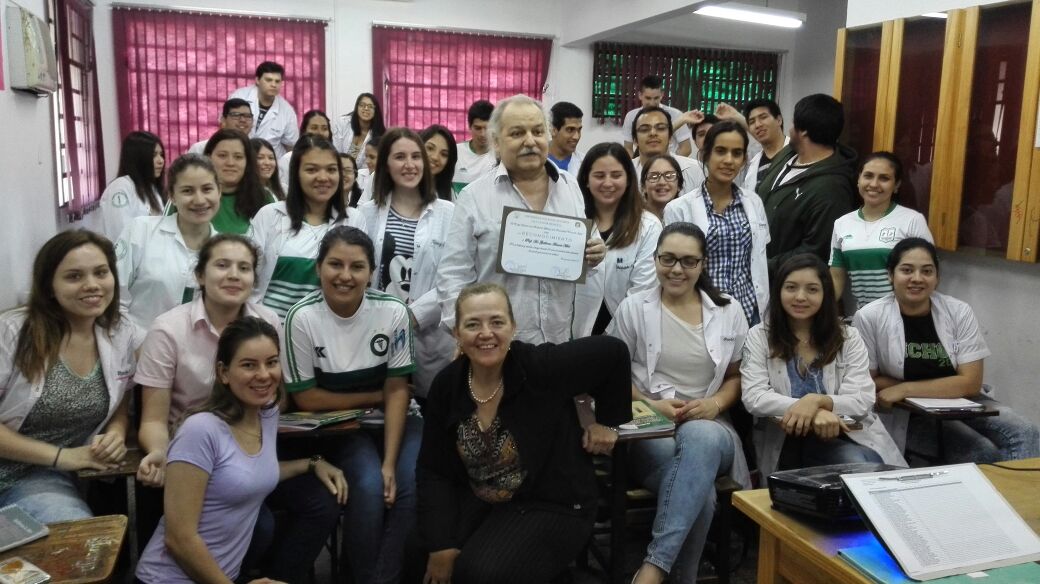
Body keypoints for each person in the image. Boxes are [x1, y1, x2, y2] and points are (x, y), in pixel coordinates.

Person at [417, 282, 631, 584]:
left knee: (480, 573)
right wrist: (440, 544)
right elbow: (433, 469)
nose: (486, 333)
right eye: (473, 324)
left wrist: (607, 423)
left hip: (553, 502)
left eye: (497, 322)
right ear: (457, 334)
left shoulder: (540, 367)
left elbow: (613, 352)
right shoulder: (447, 385)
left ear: (513, 328)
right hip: (485, 497)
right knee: (418, 553)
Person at [134, 316, 347, 584]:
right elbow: (179, 539)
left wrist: (313, 463)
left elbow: (248, 473)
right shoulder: (200, 430)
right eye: (249, 365)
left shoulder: (266, 414)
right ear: (223, 372)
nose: (264, 374)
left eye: (271, 362)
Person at [608, 223, 750, 583]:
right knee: (699, 496)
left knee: (701, 436)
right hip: (649, 428)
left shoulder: (728, 310)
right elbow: (610, 375)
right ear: (655, 259)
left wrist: (714, 405)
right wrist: (649, 404)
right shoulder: (633, 308)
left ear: (703, 264)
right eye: (667, 259)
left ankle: (652, 567)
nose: (676, 269)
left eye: (688, 261)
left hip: (711, 426)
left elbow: (737, 376)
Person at [282, 227, 420, 584]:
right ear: (318, 268)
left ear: (372, 272)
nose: (345, 276)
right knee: (370, 487)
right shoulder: (301, 317)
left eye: (357, 266)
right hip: (340, 427)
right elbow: (308, 399)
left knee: (408, 485)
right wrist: (377, 396)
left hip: (399, 419)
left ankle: (382, 578)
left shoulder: (393, 312)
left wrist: (390, 463)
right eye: (335, 264)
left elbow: (399, 391)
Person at [436, 94, 608, 344]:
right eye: (517, 133)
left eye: (537, 131)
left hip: (558, 341)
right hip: (497, 346)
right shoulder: (474, 196)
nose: (530, 141)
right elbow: (453, 274)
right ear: (496, 141)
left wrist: (596, 251)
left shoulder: (569, 186)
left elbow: (587, 245)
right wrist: (464, 334)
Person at [853, 238, 1040, 462]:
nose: (917, 278)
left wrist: (904, 388)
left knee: (1026, 433)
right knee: (981, 451)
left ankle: (1019, 498)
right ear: (890, 275)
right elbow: (866, 381)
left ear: (937, 278)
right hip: (909, 414)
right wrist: (934, 388)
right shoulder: (870, 316)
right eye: (907, 270)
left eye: (927, 271)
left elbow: (970, 382)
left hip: (965, 402)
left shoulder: (958, 311)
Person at [0, 230, 141, 523]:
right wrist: (62, 457)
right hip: (22, 469)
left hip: (42, 481)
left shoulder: (120, 331)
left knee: (77, 538)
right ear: (49, 286)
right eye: (74, 276)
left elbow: (120, 405)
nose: (92, 285)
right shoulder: (12, 332)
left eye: (101, 273)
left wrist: (114, 435)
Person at [135, 234, 281, 488]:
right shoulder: (168, 330)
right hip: (189, 451)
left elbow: (274, 396)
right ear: (200, 275)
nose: (234, 275)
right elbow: (153, 420)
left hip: (250, 448)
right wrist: (161, 453)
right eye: (222, 265)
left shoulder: (267, 323)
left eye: (244, 268)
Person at [741, 254, 905, 477]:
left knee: (865, 465)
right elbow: (755, 397)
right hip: (786, 442)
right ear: (778, 291)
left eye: (812, 289)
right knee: (861, 467)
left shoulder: (848, 337)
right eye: (791, 287)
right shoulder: (759, 336)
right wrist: (815, 412)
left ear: (825, 293)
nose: (800, 297)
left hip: (845, 435)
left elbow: (861, 399)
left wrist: (818, 400)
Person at [358, 128, 455, 399]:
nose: (409, 164)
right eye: (399, 156)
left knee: (428, 410)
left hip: (429, 335)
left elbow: (454, 277)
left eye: (416, 156)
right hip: (375, 328)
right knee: (379, 405)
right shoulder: (365, 213)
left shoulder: (448, 214)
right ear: (386, 164)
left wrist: (412, 316)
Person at [664, 121, 770, 326]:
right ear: (705, 155)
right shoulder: (678, 208)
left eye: (737, 153)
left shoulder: (753, 202)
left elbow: (758, 258)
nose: (729, 160)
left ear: (744, 160)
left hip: (749, 311)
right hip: (700, 311)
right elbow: (673, 268)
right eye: (721, 151)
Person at [250, 135, 366, 320]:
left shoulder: (353, 219)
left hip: (325, 333)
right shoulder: (269, 215)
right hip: (271, 331)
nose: (323, 177)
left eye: (331, 169)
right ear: (296, 174)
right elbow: (251, 278)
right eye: (312, 170)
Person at [755, 94, 857, 276]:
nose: (791, 130)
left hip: (787, 284)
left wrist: (763, 266)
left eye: (794, 124)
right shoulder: (788, 153)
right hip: (757, 274)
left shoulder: (832, 188)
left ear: (803, 132)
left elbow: (816, 251)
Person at [116, 154, 219, 331]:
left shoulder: (224, 249)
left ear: (219, 191)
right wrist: (136, 345)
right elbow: (115, 301)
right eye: (187, 191)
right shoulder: (141, 232)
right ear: (171, 195)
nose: (200, 200)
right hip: (137, 349)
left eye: (207, 189)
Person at [572, 142, 660, 338]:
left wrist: (610, 337)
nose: (608, 183)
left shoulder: (648, 226)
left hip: (626, 334)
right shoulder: (572, 220)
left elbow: (642, 292)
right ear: (586, 179)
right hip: (573, 332)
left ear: (629, 179)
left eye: (616, 175)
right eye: (599, 176)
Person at [830, 152, 934, 309]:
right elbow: (836, 278)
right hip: (865, 317)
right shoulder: (841, 224)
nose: (874, 184)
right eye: (868, 176)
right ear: (858, 180)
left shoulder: (912, 220)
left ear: (897, 185)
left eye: (884, 178)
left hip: (905, 315)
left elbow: (927, 273)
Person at [203, 129, 275, 235]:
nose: (230, 163)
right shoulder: (192, 194)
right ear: (208, 158)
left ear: (247, 161)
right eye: (222, 155)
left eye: (238, 157)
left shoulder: (264, 197)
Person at [100, 131, 166, 241]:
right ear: (138, 158)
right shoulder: (120, 188)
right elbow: (121, 235)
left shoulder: (151, 189)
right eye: (154, 155)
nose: (161, 161)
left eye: (161, 155)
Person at [229, 61, 299, 158]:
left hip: (270, 164)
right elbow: (225, 126)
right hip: (239, 156)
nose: (274, 85)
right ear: (257, 80)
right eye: (269, 80)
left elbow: (290, 146)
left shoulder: (287, 111)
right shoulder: (239, 96)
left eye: (277, 81)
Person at [631, 107, 704, 196]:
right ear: (635, 140)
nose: (653, 133)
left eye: (661, 128)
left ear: (670, 138)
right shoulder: (625, 172)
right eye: (645, 129)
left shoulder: (696, 170)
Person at [620, 75, 693, 157]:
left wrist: (670, 165)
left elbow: (686, 148)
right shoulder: (631, 116)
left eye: (656, 98)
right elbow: (628, 148)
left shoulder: (676, 115)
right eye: (648, 98)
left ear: (662, 95)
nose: (652, 103)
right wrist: (635, 167)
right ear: (640, 95)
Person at [278, 109, 333, 193]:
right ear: (304, 130)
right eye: (314, 128)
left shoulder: (334, 159)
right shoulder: (287, 160)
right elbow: (282, 192)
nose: (320, 133)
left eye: (324, 128)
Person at [742, 98, 789, 192]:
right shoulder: (753, 164)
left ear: (779, 120)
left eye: (763, 117)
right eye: (752, 122)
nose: (757, 125)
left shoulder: (799, 153)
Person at [452, 99, 496, 194]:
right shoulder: (455, 152)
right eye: (478, 128)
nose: (483, 134)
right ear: (469, 126)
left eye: (487, 128)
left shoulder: (500, 157)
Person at [187, 98, 255, 156]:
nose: (243, 120)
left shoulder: (257, 151)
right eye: (236, 115)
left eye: (247, 116)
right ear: (223, 120)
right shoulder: (200, 149)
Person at [333, 92, 386, 162]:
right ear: (357, 107)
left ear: (375, 111)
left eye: (370, 106)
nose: (366, 108)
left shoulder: (379, 135)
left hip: (363, 172)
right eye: (362, 105)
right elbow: (334, 151)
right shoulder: (343, 123)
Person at [640, 154, 684, 222]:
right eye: (654, 177)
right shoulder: (633, 220)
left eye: (669, 176)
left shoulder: (688, 216)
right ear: (643, 186)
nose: (662, 182)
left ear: (679, 185)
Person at [420, 124, 458, 201]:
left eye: (444, 154)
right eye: (430, 148)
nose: (435, 157)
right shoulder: (402, 187)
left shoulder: (450, 195)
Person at [547, 101, 584, 172]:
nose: (576, 137)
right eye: (570, 130)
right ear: (553, 130)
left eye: (579, 130)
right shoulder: (535, 160)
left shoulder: (585, 163)